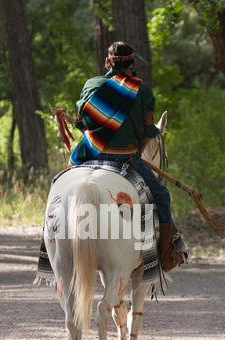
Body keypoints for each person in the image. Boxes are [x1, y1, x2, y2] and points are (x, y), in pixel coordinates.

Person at [64, 41, 183, 272]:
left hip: (88, 157)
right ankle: (166, 253)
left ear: (107, 62)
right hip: (125, 159)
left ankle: (52, 239)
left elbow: (82, 124)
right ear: (133, 63)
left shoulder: (91, 85)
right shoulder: (142, 91)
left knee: (59, 187)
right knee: (162, 195)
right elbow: (149, 131)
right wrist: (137, 151)